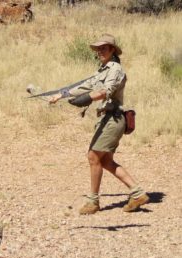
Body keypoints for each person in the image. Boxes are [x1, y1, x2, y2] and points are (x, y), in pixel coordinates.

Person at [49, 34, 149, 215]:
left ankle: (93, 201)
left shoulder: (116, 69)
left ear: (112, 50)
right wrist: (62, 95)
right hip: (106, 118)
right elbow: (86, 85)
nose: (100, 52)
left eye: (104, 48)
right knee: (105, 161)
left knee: (93, 157)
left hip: (114, 119)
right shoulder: (102, 69)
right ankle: (137, 193)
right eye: (98, 49)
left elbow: (106, 91)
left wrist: (86, 99)